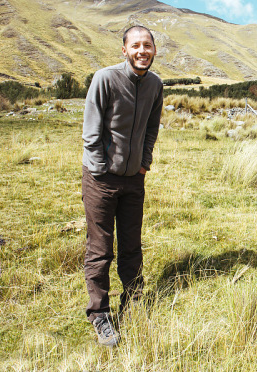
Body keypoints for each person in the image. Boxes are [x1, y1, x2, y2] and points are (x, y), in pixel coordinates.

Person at [81, 25, 163, 346]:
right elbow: (91, 129)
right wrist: (100, 170)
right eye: (136, 46)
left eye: (148, 46)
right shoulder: (105, 78)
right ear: (125, 50)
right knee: (100, 250)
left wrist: (144, 163)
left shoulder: (156, 85)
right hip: (101, 179)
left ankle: (133, 302)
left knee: (132, 246)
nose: (142, 51)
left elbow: (152, 127)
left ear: (154, 50)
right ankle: (100, 314)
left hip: (134, 180)